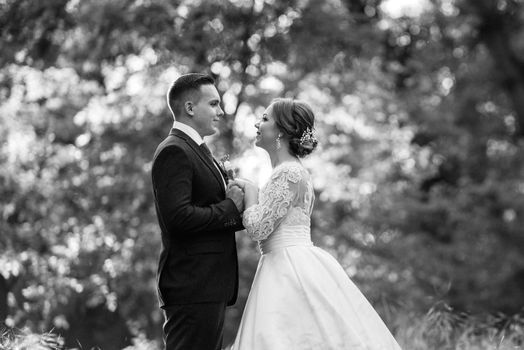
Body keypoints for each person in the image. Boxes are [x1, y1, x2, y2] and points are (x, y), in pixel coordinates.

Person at [230, 98, 402, 349]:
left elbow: (258, 228)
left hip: (288, 267)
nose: (258, 123)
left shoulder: (289, 173)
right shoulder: (288, 172)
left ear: (282, 130)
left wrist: (250, 192)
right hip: (280, 262)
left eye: (265, 119)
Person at [151, 73, 245, 350]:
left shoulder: (197, 150)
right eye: (214, 104)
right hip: (192, 285)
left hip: (207, 285)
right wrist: (230, 207)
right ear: (190, 108)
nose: (221, 111)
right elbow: (178, 218)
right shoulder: (174, 151)